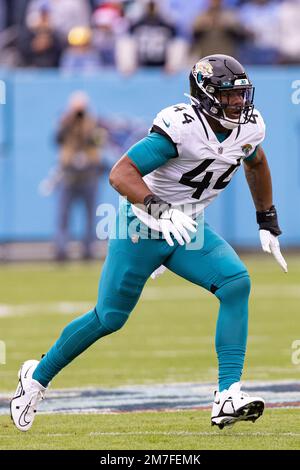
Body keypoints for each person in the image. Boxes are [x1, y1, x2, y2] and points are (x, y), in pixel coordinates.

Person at [10, 54, 287, 432]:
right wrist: (159, 209)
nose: (239, 103)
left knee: (236, 283)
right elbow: (121, 172)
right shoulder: (183, 127)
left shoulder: (248, 127)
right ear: (206, 96)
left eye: (241, 95)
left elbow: (255, 164)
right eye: (229, 96)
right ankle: (36, 378)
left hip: (187, 226)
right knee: (109, 317)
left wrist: (266, 218)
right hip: (140, 227)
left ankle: (227, 395)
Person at [55, 91, 105, 260]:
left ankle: (88, 249)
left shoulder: (93, 124)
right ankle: (61, 249)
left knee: (90, 215)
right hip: (69, 174)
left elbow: (98, 142)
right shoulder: (65, 123)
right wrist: (67, 122)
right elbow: (58, 140)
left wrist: (88, 126)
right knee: (63, 214)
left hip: (89, 174)